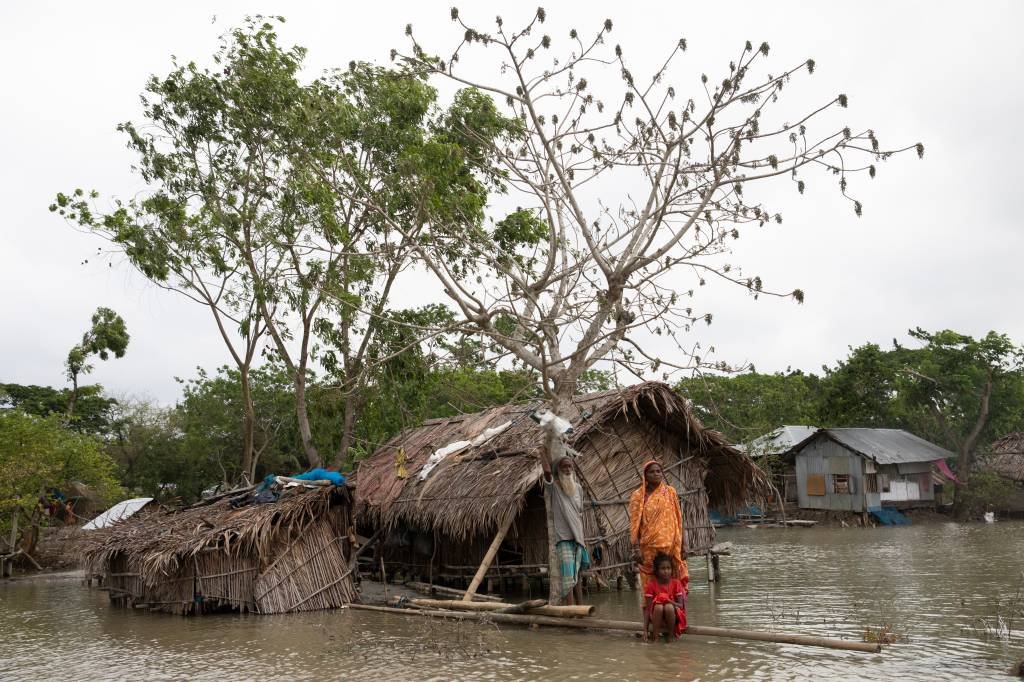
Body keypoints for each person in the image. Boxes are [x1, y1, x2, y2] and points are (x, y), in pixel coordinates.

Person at [540, 445, 589, 605]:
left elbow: (579, 512)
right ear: (558, 470)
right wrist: (542, 452)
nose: (568, 469)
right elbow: (547, 472)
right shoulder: (554, 487)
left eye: (570, 466)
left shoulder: (579, 489)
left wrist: (582, 537)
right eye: (564, 466)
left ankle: (580, 607)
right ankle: (570, 609)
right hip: (564, 539)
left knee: (578, 575)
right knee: (568, 577)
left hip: (579, 538)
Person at [629, 460, 687, 591]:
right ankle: (650, 610)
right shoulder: (638, 496)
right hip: (649, 548)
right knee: (650, 586)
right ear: (645, 475)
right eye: (651, 472)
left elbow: (679, 519)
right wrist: (636, 549)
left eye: (658, 471)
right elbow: (635, 525)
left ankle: (676, 610)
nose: (656, 474)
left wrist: (684, 545)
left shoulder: (670, 492)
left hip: (672, 548)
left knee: (674, 584)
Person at [643, 553, 688, 642]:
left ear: (672, 570)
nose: (666, 571)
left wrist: (669, 601)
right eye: (663, 568)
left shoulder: (676, 583)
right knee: (659, 606)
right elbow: (648, 610)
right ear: (657, 570)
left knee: (668, 607)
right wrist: (645, 630)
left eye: (668, 568)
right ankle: (655, 638)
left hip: (672, 616)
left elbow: (681, 606)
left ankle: (671, 636)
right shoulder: (651, 585)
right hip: (656, 617)